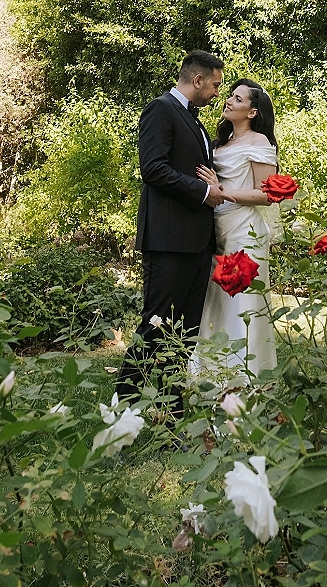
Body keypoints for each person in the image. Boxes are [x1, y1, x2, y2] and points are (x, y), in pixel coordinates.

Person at [115, 50, 226, 419]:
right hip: (168, 242)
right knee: (156, 325)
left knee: (184, 333)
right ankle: (123, 410)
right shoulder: (160, 109)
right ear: (197, 81)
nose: (216, 93)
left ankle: (170, 411)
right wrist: (203, 193)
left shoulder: (196, 121)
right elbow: (154, 169)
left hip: (197, 243)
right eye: (213, 85)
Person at [190, 78, 278, 380]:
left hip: (245, 233)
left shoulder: (259, 143)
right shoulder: (220, 143)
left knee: (242, 306)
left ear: (252, 112)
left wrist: (221, 190)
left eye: (238, 99)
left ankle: (245, 382)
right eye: (230, 96)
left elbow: (267, 194)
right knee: (214, 305)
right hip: (216, 231)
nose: (228, 101)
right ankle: (210, 379)